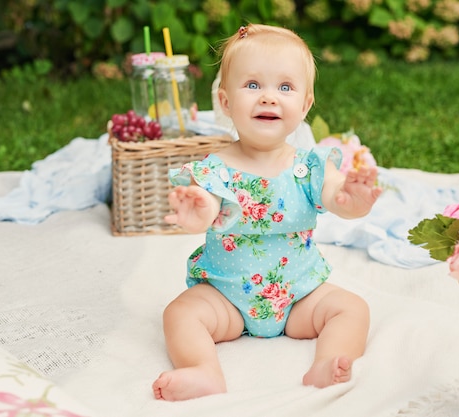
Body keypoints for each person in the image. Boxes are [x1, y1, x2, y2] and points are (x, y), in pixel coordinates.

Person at [152, 23, 382, 401]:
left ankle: (328, 361)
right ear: (225, 103)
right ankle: (203, 370)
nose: (269, 98)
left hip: (298, 295)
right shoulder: (215, 167)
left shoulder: (311, 165)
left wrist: (352, 200)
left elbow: (336, 196)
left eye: (285, 88)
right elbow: (209, 202)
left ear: (305, 105)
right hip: (226, 298)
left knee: (351, 308)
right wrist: (200, 212)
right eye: (253, 85)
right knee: (179, 314)